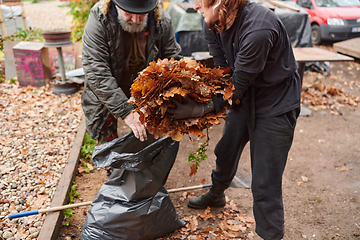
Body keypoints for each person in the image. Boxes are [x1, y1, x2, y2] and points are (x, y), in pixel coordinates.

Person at [167, 0, 301, 239]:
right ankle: (217, 193)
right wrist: (202, 96)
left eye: (200, 0)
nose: (195, 5)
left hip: (275, 102)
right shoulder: (212, 19)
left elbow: (236, 86)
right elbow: (223, 69)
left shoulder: (258, 29)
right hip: (244, 97)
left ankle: (270, 234)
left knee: (264, 182)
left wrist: (199, 110)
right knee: (226, 150)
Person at [81, 0, 182, 149]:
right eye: (128, 14)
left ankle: (145, 158)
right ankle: (112, 165)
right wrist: (125, 111)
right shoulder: (100, 18)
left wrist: (153, 100)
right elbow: (96, 70)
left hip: (145, 86)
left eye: (141, 15)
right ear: (115, 5)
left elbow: (173, 59)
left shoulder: (161, 19)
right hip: (110, 83)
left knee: (149, 134)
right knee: (105, 129)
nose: (135, 21)